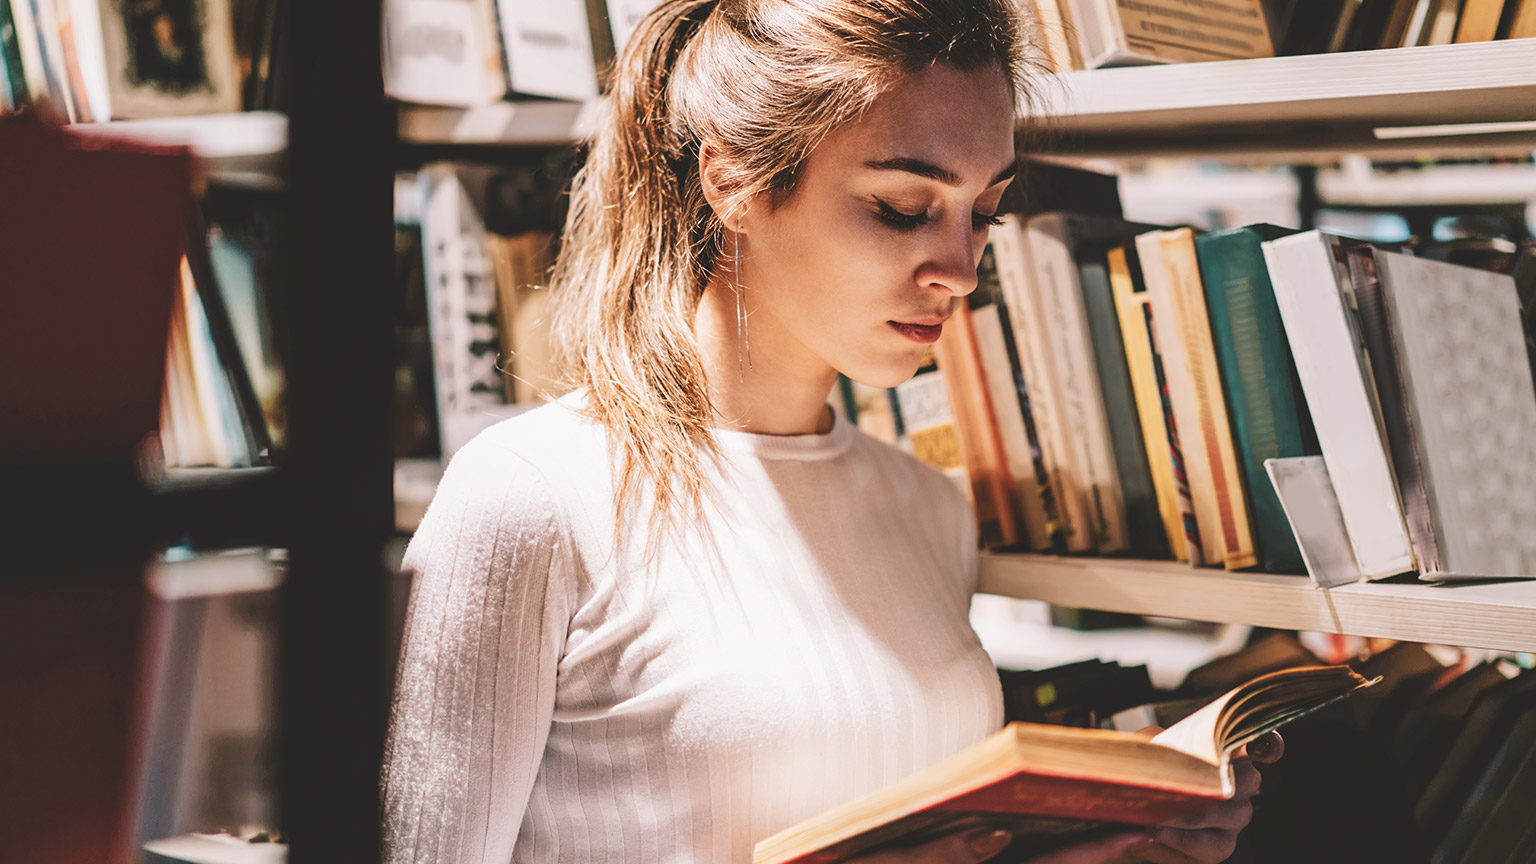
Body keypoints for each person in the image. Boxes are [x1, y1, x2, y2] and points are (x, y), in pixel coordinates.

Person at [380, 1, 1280, 862]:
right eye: (902, 207)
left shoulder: (927, 506)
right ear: (732, 180)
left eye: (985, 213)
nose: (962, 271)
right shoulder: (534, 493)